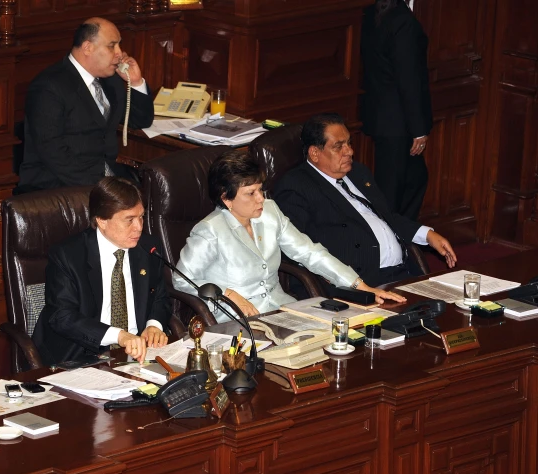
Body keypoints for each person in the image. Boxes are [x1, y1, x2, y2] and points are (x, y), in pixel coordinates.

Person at [173, 150, 405, 322]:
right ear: (226, 198)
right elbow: (181, 278)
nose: (261, 198)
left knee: (341, 329)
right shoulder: (210, 230)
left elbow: (309, 252)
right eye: (251, 193)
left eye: (261, 189)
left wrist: (359, 285)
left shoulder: (270, 212)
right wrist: (227, 293)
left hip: (280, 308)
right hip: (237, 318)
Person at [273, 113, 457, 288]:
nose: (350, 151)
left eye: (349, 143)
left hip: (402, 271)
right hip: (359, 283)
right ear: (314, 153)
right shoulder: (296, 186)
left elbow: (387, 217)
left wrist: (427, 235)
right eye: (339, 146)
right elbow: (293, 246)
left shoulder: (358, 173)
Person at [32, 177, 171, 365]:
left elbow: (160, 296)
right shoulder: (68, 256)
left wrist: (154, 325)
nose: (139, 227)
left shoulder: (148, 248)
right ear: (102, 221)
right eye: (129, 220)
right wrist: (119, 336)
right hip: (82, 355)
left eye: (141, 217)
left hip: (136, 354)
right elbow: (62, 317)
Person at [17, 17, 154, 192]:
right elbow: (53, 153)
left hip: (102, 177)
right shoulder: (49, 86)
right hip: (57, 184)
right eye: (112, 46)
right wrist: (101, 189)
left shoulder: (111, 80)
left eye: (119, 45)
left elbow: (141, 120)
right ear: (88, 47)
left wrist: (135, 82)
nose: (120, 53)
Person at [361, 0, 432, 220]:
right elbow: (408, 79)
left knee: (414, 178)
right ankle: (392, 246)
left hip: (380, 116)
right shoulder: (403, 22)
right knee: (391, 194)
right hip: (398, 122)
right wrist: (418, 129)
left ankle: (402, 240)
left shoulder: (371, 14)